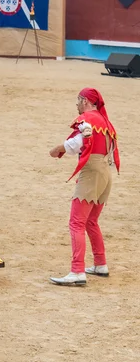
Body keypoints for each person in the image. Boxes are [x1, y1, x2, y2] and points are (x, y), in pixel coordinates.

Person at [49, 88, 120, 286]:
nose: (77, 105)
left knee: (77, 222)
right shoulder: (106, 121)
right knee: (91, 221)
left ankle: (77, 271)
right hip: (105, 173)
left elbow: (77, 143)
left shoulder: (88, 119)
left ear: (85, 101)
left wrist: (57, 149)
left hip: (92, 172)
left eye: (78, 100)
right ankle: (100, 264)